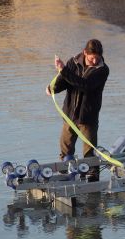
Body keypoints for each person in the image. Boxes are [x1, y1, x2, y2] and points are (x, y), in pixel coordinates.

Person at [46, 39, 109, 180]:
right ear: (85, 53)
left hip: (88, 119)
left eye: (97, 58)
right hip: (69, 116)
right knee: (65, 151)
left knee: (89, 155)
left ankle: (93, 182)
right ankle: (64, 178)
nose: (94, 61)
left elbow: (84, 85)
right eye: (92, 57)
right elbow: (65, 81)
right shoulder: (73, 63)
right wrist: (53, 89)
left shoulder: (103, 70)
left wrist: (64, 70)